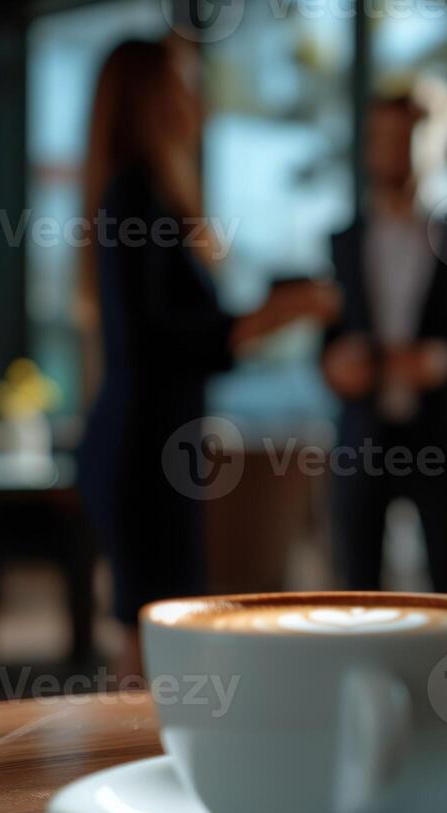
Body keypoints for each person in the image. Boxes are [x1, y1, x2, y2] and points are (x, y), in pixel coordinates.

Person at [75, 39, 340, 675]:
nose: (199, 102)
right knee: (152, 641)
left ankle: (146, 765)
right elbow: (155, 338)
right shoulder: (137, 193)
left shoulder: (141, 194)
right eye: (183, 86)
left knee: (154, 634)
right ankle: (137, 769)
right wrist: (271, 317)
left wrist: (261, 320)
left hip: (157, 441)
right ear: (150, 100)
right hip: (145, 448)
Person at [321, 91, 447, 593]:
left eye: (406, 137)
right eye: (382, 137)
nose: (393, 150)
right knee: (357, 596)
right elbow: (327, 340)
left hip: (439, 443)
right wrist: (335, 365)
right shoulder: (342, 240)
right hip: (360, 443)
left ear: (438, 144)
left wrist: (442, 362)